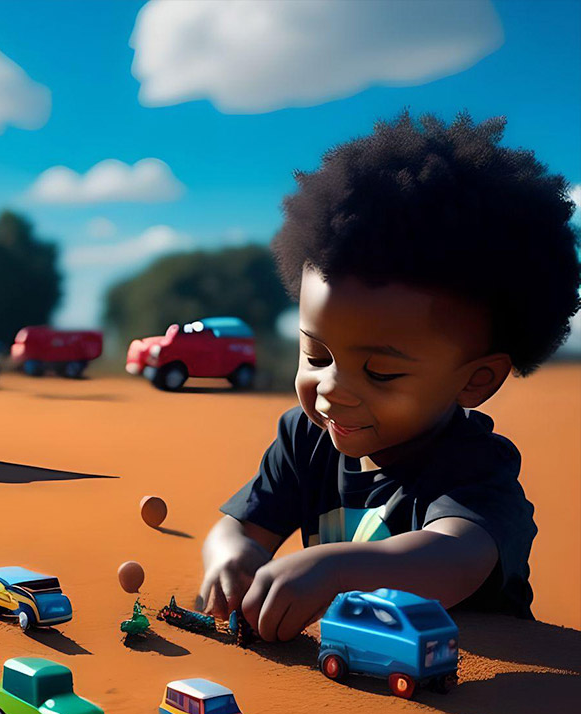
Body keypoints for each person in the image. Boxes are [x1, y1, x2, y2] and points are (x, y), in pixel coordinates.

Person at [199, 112, 579, 642]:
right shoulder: (305, 438)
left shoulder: (475, 467)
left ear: (475, 381)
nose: (331, 387)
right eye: (316, 354)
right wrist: (231, 555)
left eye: (379, 371)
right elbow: (240, 525)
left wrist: (337, 569)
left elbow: (455, 555)